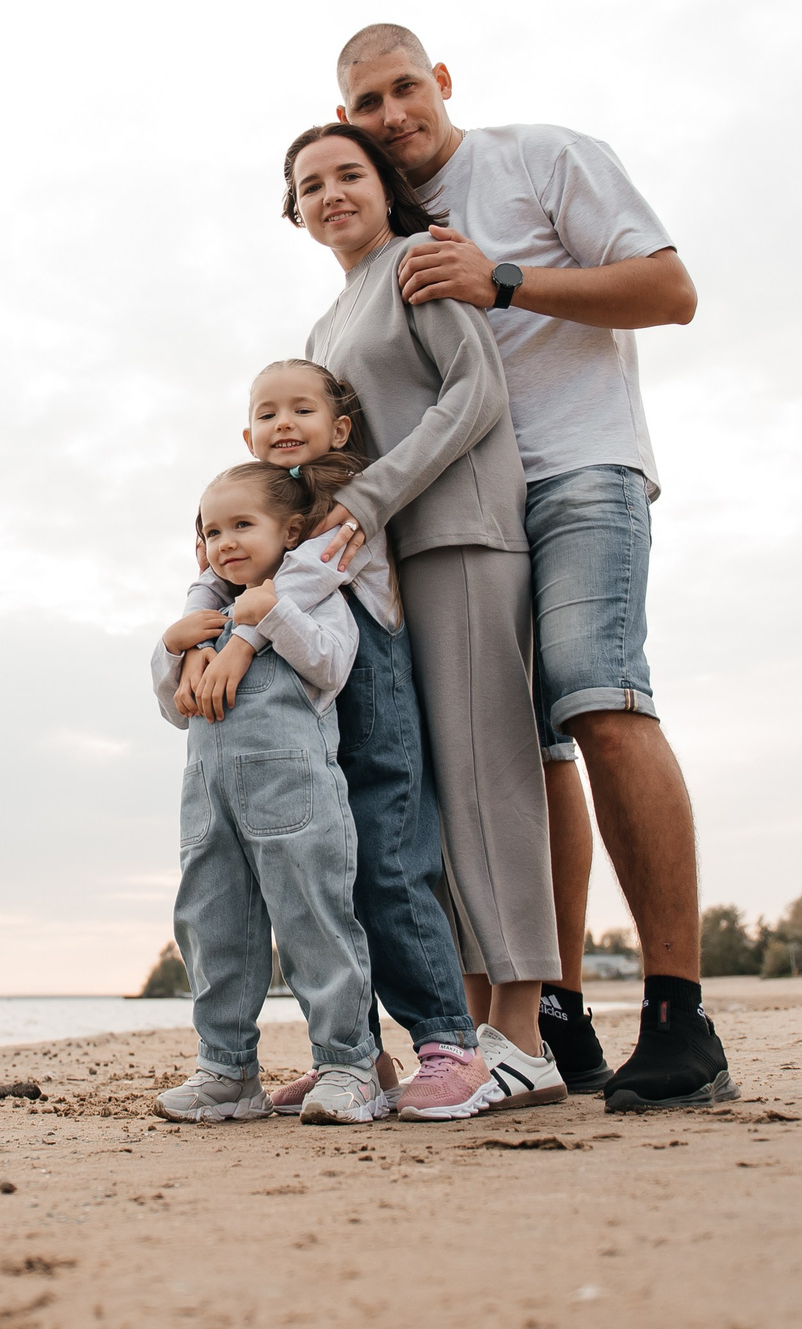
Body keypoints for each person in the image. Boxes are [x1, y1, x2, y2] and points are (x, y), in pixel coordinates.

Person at [334, 22, 736, 1110]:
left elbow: (670, 289)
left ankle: (678, 1011)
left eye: (403, 88)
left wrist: (502, 278)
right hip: (474, 512)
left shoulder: (542, 158)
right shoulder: (389, 232)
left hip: (583, 468)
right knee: (517, 748)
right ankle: (547, 1006)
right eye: (366, 104)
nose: (391, 116)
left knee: (597, 693)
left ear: (442, 81)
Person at [286, 121, 571, 1115]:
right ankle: (443, 1036)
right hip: (391, 570)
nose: (331, 192)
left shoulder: (414, 260)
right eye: (310, 183)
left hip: (464, 535)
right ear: (295, 210)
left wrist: (370, 502)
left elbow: (476, 396)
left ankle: (527, 1036)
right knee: (420, 805)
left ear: (384, 183)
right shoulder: (326, 324)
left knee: (491, 782)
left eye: (348, 173)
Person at [173, 360, 491, 1121]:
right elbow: (213, 572)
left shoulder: (345, 501)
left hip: (365, 678)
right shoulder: (257, 509)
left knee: (385, 860)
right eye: (267, 412)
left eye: (301, 410)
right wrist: (188, 640)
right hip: (292, 715)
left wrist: (238, 637)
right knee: (320, 877)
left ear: (339, 427)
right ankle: (356, 1060)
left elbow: (297, 584)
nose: (283, 424)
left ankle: (446, 1042)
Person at [151, 462, 380, 1124]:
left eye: (242, 525)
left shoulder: (310, 597)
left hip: (296, 797)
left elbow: (332, 665)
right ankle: (226, 1070)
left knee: (315, 923)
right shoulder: (205, 618)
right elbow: (175, 711)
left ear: (291, 531)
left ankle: (348, 1063)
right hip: (209, 803)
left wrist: (270, 615)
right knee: (211, 928)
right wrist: (171, 649)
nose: (225, 542)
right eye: (212, 531)